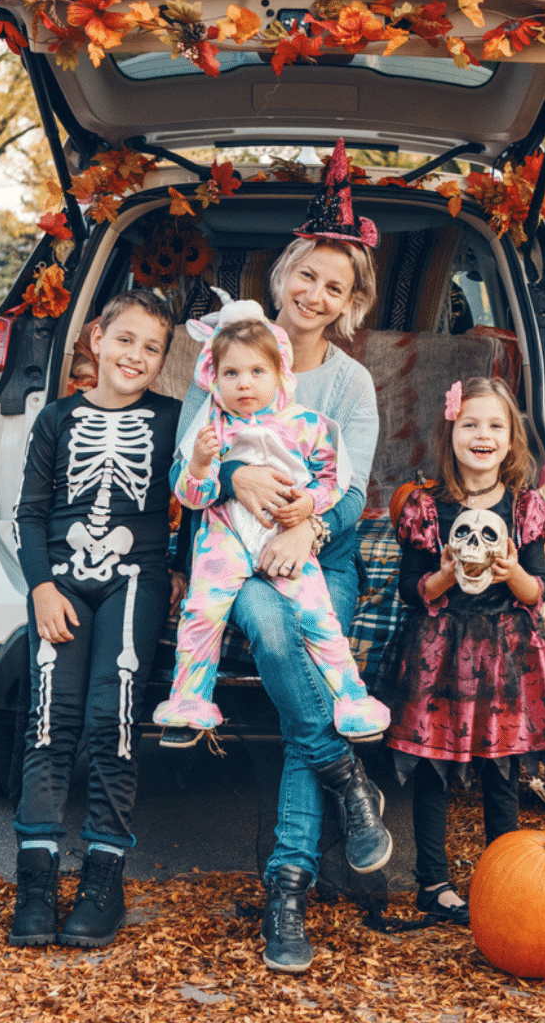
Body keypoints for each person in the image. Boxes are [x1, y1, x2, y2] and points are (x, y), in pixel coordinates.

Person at [171, 139, 391, 973]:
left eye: (335, 287)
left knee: (282, 622)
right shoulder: (228, 350)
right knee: (268, 621)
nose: (316, 293)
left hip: (314, 551)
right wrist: (232, 470)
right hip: (232, 548)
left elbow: (353, 487)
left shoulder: (350, 386)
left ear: (348, 304)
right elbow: (181, 464)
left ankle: (286, 885)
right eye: (307, 276)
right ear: (284, 274)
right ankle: (344, 776)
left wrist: (312, 527)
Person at [9, 289, 186, 949]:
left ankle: (103, 875)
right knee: (50, 720)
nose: (135, 354)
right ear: (96, 340)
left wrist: (183, 567)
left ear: (164, 360)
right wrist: (40, 589)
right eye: (126, 339)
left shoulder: (173, 418)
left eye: (152, 347)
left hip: (133, 579)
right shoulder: (56, 420)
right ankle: (36, 879)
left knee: (114, 719)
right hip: (62, 580)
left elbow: (199, 495)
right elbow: (28, 513)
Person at [387, 376, 545, 925]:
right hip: (440, 653)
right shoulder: (426, 506)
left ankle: (504, 879)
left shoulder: (526, 510)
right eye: (470, 424)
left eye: (495, 425)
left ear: (512, 437)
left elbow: (538, 592)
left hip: (506, 655)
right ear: (451, 432)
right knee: (434, 769)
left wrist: (514, 571)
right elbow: (411, 591)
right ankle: (434, 883)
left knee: (502, 770)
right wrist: (445, 577)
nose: (483, 435)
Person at [153, 299, 390, 745]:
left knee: (317, 617)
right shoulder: (210, 428)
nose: (245, 384)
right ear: (213, 380)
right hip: (225, 539)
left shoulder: (307, 425)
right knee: (201, 615)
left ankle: (353, 700)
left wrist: (309, 505)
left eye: (257, 372)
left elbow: (337, 480)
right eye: (231, 374)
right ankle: (188, 703)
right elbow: (190, 497)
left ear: (281, 373)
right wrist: (203, 465)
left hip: (286, 537)